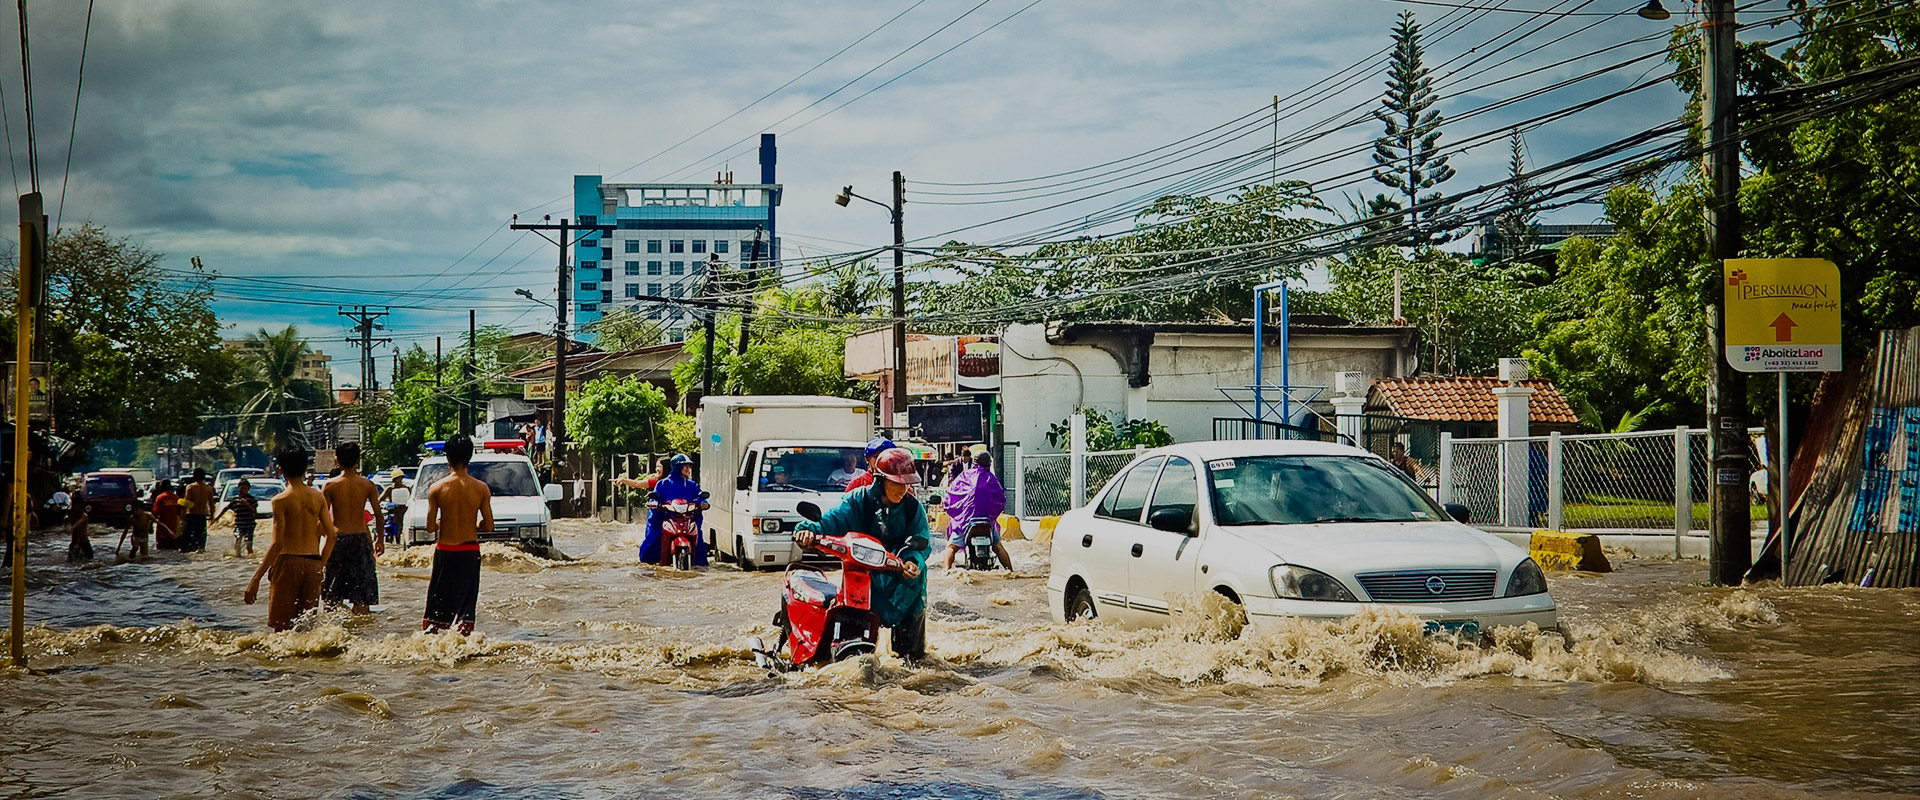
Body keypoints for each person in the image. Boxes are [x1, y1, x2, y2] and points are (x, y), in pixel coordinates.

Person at [794, 448, 931, 660]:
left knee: (912, 660)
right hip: (865, 576)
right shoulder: (857, 500)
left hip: (904, 581)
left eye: (907, 483)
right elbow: (831, 521)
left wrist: (914, 562)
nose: (903, 489)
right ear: (880, 480)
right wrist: (809, 530)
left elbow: (921, 543)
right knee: (854, 648)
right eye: (897, 482)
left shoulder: (913, 508)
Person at [244, 447, 335, 632]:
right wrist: (320, 564)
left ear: (280, 469)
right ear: (304, 468)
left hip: (287, 563)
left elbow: (278, 543)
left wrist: (256, 579)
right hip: (312, 564)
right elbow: (332, 536)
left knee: (281, 629)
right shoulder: (318, 497)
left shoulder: (280, 500)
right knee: (306, 628)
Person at [422, 435, 493, 635]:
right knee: (465, 610)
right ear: (470, 457)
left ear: (448, 458)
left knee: (437, 611)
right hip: (469, 552)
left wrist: (442, 523)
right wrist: (474, 524)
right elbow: (489, 526)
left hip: (445, 551)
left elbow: (429, 527)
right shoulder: (481, 488)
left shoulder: (437, 488)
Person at [320, 442, 385, 615]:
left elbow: (322, 519)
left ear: (337, 460)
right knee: (362, 597)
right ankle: (361, 634)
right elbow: (379, 516)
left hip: (337, 540)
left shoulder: (330, 485)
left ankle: (333, 635)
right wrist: (380, 540)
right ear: (357, 461)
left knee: (332, 596)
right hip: (360, 540)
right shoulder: (367, 485)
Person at [942, 447, 1013, 570]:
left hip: (965, 522)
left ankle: (945, 572)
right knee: (998, 547)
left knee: (951, 548)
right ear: (989, 464)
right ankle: (1010, 571)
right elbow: (1001, 500)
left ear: (974, 462)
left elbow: (951, 495)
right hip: (987, 522)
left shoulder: (964, 476)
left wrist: (951, 508)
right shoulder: (992, 479)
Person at [641, 454, 708, 565]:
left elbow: (699, 497)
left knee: (699, 539)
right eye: (684, 466)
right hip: (668, 518)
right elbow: (657, 497)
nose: (688, 469)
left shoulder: (692, 485)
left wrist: (703, 503)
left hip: (687, 519)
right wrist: (656, 503)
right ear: (676, 467)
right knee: (653, 538)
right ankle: (651, 559)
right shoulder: (663, 484)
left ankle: (699, 562)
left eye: (689, 466)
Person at [217, 478, 260, 558]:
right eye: (241, 488)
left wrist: (246, 504)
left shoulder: (251, 499)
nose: (243, 490)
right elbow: (226, 508)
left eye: (245, 488)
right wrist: (217, 517)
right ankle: (238, 557)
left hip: (249, 525)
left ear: (248, 489)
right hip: (239, 524)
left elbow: (254, 512)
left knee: (248, 543)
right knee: (238, 540)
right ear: (238, 488)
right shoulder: (235, 499)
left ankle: (250, 556)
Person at [182, 469, 216, 553]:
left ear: (194, 476)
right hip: (202, 516)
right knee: (200, 537)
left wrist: (182, 518)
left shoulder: (190, 487)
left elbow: (186, 503)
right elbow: (212, 505)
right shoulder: (209, 489)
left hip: (191, 515)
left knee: (189, 538)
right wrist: (212, 517)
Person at [378, 470, 411, 545]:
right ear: (394, 479)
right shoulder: (390, 489)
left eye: (400, 478)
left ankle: (399, 541)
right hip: (393, 511)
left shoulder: (407, 489)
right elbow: (380, 499)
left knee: (401, 528)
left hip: (404, 510)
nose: (399, 480)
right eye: (397, 478)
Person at [151, 480, 183, 550]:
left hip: (163, 530)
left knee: (162, 550)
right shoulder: (176, 497)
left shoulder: (160, 498)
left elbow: (156, 513)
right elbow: (180, 513)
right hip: (174, 530)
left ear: (161, 487)